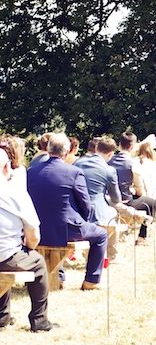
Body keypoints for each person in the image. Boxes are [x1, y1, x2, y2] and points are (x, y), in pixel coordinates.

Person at [27, 132, 108, 291]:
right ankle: (91, 280)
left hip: (37, 228)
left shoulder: (31, 171)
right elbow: (85, 204)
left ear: (48, 149)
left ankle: (60, 276)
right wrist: (84, 221)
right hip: (67, 229)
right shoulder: (73, 172)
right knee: (101, 235)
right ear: (67, 151)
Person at [0, 148, 53, 331]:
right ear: (7, 168)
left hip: (4, 253)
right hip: (7, 255)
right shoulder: (16, 193)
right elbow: (33, 235)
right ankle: (39, 321)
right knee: (37, 263)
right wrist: (28, 248)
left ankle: (2, 316)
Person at [75, 136, 126, 262]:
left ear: (96, 148)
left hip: (77, 208)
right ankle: (112, 254)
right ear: (110, 154)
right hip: (97, 211)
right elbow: (116, 198)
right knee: (113, 214)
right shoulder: (109, 170)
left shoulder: (78, 163)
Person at [108, 131, 156, 246]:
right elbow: (140, 189)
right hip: (125, 201)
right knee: (151, 203)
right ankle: (142, 237)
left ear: (119, 144)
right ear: (132, 146)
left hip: (109, 199)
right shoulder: (132, 163)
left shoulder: (109, 161)